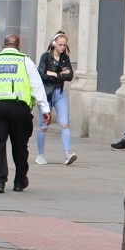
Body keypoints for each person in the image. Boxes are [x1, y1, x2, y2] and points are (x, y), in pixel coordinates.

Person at [0, 33, 51, 193]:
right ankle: (20, 181)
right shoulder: (25, 61)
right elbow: (37, 86)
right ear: (19, 46)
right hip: (19, 109)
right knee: (20, 146)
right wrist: (45, 109)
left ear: (3, 46)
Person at [36, 32, 77, 166]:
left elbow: (69, 76)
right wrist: (60, 75)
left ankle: (67, 153)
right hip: (46, 93)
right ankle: (41, 154)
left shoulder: (65, 59)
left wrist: (54, 74)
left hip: (60, 92)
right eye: (60, 45)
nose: (62, 47)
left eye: (64, 45)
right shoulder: (45, 57)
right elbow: (41, 74)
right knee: (43, 125)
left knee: (64, 124)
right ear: (54, 44)